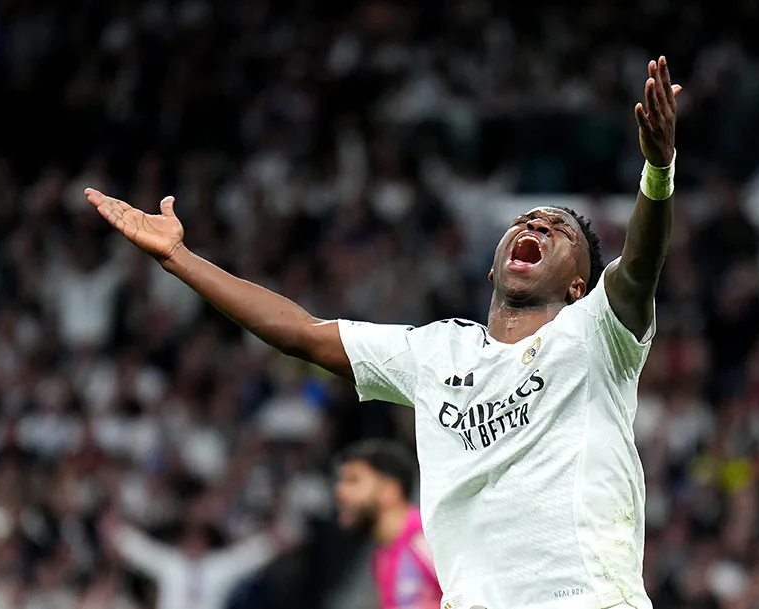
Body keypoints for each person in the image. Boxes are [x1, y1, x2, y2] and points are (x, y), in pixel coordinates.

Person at [85, 55, 681, 608]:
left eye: (560, 230)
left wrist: (657, 171)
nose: (538, 224)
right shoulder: (436, 353)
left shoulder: (595, 334)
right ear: (494, 264)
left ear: (579, 285)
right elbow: (300, 332)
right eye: (528, 219)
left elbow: (639, 267)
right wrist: (180, 259)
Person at [98, 513, 293, 609]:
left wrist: (271, 542)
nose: (193, 546)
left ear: (205, 545)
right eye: (189, 542)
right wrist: (117, 532)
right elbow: (145, 551)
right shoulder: (172, 563)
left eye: (198, 542)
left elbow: (244, 557)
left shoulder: (217, 567)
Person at [335, 439, 442, 609]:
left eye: (353, 480)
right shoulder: (381, 557)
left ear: (390, 490)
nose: (340, 491)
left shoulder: (427, 539)